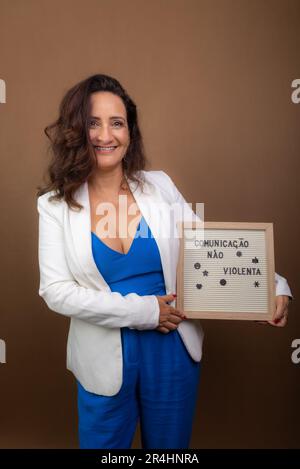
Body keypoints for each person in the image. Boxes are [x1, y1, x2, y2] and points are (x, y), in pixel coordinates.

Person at [36, 74, 293, 449]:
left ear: (130, 131)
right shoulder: (54, 206)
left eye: (117, 122)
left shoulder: (160, 187)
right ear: (77, 130)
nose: (106, 135)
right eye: (93, 122)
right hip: (102, 357)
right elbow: (56, 291)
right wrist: (145, 312)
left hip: (173, 348)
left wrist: (272, 287)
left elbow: (208, 247)